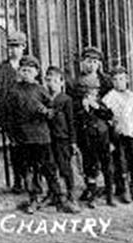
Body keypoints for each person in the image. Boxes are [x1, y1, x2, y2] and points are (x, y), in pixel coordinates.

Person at [7, 55, 73, 214]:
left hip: (42, 137)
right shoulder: (14, 91)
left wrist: (46, 111)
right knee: (30, 171)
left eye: (30, 70)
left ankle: (59, 199)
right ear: (19, 71)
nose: (26, 73)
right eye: (23, 70)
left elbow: (53, 112)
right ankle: (34, 199)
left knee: (49, 169)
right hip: (24, 137)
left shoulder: (41, 90)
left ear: (36, 72)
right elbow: (9, 116)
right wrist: (13, 136)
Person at [102, 65, 133, 204]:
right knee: (121, 161)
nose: (118, 82)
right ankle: (124, 188)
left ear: (127, 79)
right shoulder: (109, 98)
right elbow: (105, 118)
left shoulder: (132, 96)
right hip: (119, 135)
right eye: (115, 80)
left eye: (121, 79)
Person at [0, 29, 27, 193]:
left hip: (27, 117)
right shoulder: (2, 69)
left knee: (30, 149)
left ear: (24, 47)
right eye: (10, 47)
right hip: (9, 117)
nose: (13, 50)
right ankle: (18, 181)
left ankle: (32, 181)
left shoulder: (29, 66)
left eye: (17, 46)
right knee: (15, 150)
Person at [73, 73, 115, 208]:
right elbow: (75, 122)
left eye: (94, 90)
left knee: (107, 167)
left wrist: (96, 106)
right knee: (90, 168)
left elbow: (110, 116)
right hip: (87, 141)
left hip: (103, 140)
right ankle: (92, 194)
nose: (91, 93)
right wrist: (83, 106)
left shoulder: (101, 103)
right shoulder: (78, 105)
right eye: (88, 91)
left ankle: (109, 196)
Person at [46, 66, 78, 211]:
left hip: (62, 138)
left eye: (54, 81)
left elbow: (71, 122)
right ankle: (55, 194)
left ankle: (71, 195)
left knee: (64, 167)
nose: (51, 83)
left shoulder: (66, 100)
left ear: (61, 82)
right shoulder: (45, 98)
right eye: (48, 80)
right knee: (50, 166)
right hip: (48, 138)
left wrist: (73, 141)